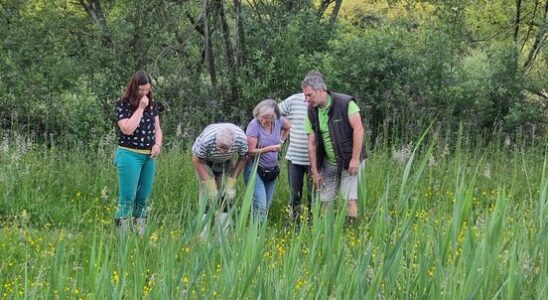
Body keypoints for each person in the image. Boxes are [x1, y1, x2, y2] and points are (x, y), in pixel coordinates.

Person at [302, 71, 365, 223]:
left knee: (348, 198)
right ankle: (325, 233)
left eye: (309, 95)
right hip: (328, 162)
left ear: (321, 90)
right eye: (305, 96)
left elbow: (359, 129)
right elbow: (311, 143)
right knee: (324, 199)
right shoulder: (311, 112)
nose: (306, 100)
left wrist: (355, 159)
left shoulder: (345, 103)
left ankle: (352, 233)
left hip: (349, 159)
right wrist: (315, 172)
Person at [114, 70, 163, 236]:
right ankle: (122, 236)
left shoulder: (152, 103)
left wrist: (157, 144)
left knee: (142, 198)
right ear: (134, 87)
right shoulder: (123, 104)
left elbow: (157, 129)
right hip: (129, 154)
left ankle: (139, 235)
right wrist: (140, 108)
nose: (144, 93)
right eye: (141, 90)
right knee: (127, 198)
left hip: (148, 156)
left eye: (147, 90)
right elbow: (127, 129)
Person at [192, 123, 248, 235]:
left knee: (225, 197)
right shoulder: (207, 139)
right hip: (205, 162)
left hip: (226, 162)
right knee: (208, 197)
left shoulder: (241, 139)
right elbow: (196, 160)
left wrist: (232, 181)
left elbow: (243, 158)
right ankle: (203, 235)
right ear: (216, 141)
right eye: (220, 147)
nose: (222, 151)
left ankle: (222, 234)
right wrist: (209, 185)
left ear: (233, 144)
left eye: (225, 148)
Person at [244, 99, 290, 223]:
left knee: (266, 205)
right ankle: (256, 235)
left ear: (274, 117)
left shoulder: (279, 121)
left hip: (271, 171)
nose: (263, 120)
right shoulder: (254, 125)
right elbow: (249, 151)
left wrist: (281, 141)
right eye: (261, 117)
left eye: (267, 118)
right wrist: (269, 149)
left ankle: (259, 232)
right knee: (260, 204)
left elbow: (288, 126)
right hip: (255, 169)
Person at [278, 93, 312, 223]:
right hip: (294, 158)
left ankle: (312, 226)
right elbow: (273, 112)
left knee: (313, 196)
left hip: (314, 160)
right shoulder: (293, 100)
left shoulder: (321, 101)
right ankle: (293, 225)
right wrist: (283, 130)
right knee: (294, 195)